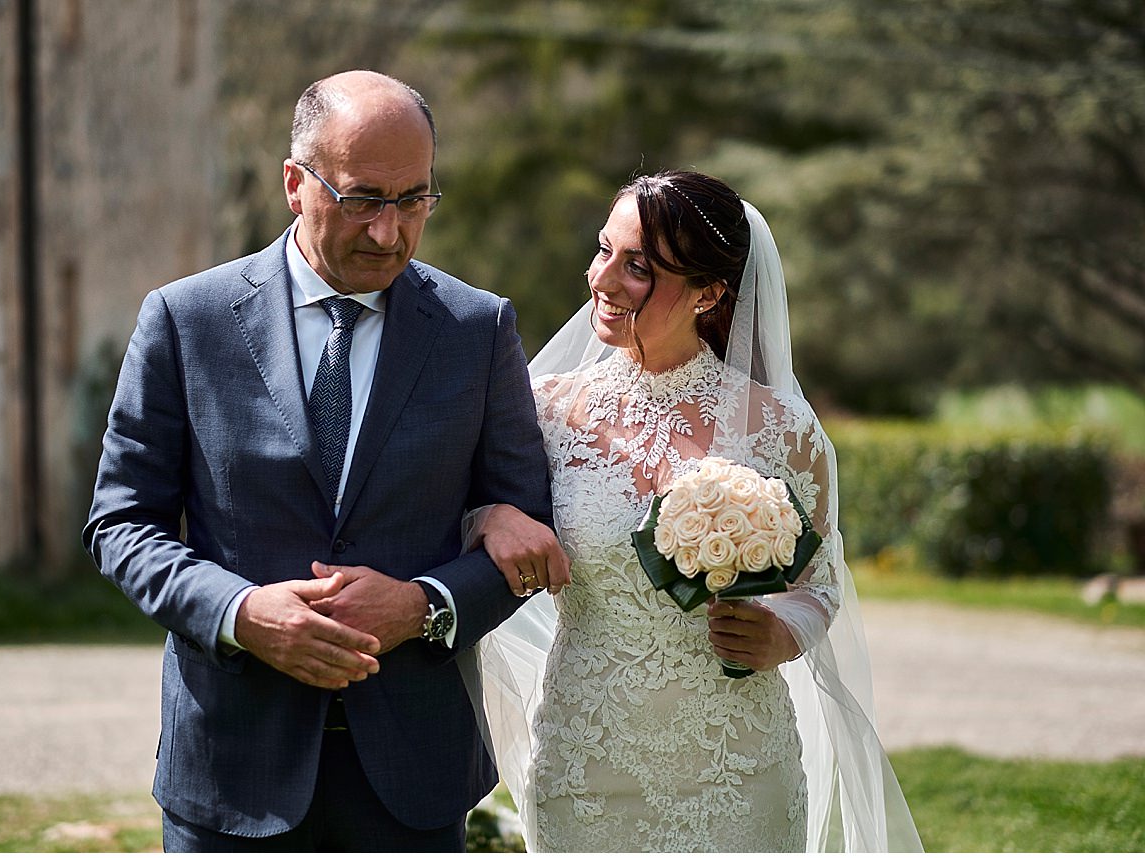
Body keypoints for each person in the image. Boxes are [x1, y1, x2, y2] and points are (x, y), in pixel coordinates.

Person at [83, 69, 565, 851]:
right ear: (293, 183)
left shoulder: (477, 331)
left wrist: (424, 604)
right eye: (363, 199)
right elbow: (120, 523)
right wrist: (241, 614)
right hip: (232, 772)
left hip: (414, 778)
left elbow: (529, 529)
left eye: (414, 200)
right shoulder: (185, 320)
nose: (390, 232)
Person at [464, 171, 923, 851]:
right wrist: (489, 520)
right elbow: (474, 516)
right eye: (604, 251)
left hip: (736, 762)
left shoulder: (779, 428)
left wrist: (783, 632)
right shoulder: (545, 411)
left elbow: (821, 580)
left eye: (639, 267)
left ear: (709, 293)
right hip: (586, 755)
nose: (604, 279)